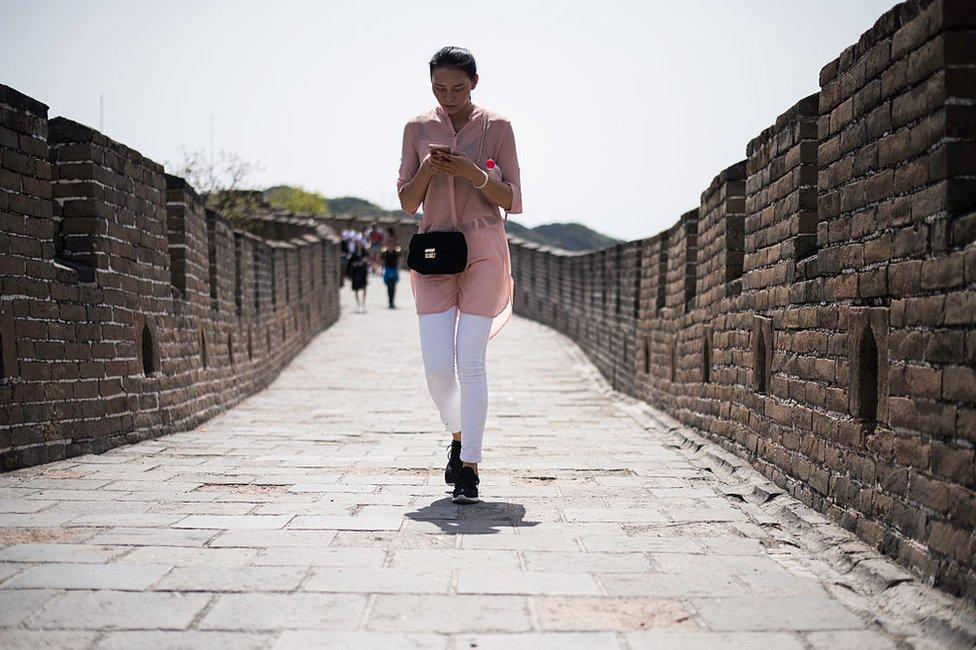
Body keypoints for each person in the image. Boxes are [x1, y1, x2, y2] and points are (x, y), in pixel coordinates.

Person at [396, 45, 521, 504]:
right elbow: (408, 202)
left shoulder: (498, 128)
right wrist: (429, 170)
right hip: (434, 251)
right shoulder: (416, 128)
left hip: (484, 250)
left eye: (459, 88)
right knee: (436, 370)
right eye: (439, 88)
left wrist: (473, 173)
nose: (449, 97)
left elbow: (513, 198)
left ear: (475, 84)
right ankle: (457, 435)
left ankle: (469, 465)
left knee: (470, 362)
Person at [347, 240, 370, 313]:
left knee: (364, 288)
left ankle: (363, 303)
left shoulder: (365, 253)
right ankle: (358, 304)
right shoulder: (353, 254)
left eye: (360, 244)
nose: (359, 245)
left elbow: (368, 262)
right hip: (356, 273)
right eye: (357, 244)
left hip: (363, 272)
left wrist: (365, 262)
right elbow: (351, 264)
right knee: (356, 289)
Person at [381, 230, 402, 309]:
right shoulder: (384, 251)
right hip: (387, 270)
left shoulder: (397, 250)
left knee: (393, 287)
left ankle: (392, 302)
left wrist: (398, 269)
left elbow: (399, 259)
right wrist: (382, 270)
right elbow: (383, 261)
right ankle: (390, 301)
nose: (390, 243)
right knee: (389, 287)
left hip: (394, 270)